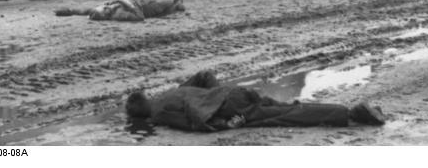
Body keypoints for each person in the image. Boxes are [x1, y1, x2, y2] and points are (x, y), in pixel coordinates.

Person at [125, 70, 386, 132]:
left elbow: (192, 121)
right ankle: (352, 112)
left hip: (229, 107)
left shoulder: (157, 114)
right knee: (286, 108)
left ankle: (350, 114)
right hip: (234, 93)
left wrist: (224, 123)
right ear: (147, 97)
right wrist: (221, 92)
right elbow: (205, 76)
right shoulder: (170, 92)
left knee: (285, 117)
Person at [54, 0, 184, 21]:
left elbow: (81, 11)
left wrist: (68, 11)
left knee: (167, 3)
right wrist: (127, 3)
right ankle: (176, 4)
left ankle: (175, 4)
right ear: (106, 15)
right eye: (105, 10)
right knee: (168, 4)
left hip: (139, 1)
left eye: (103, 8)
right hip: (146, 9)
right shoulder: (119, 15)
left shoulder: (100, 8)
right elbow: (140, 17)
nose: (106, 7)